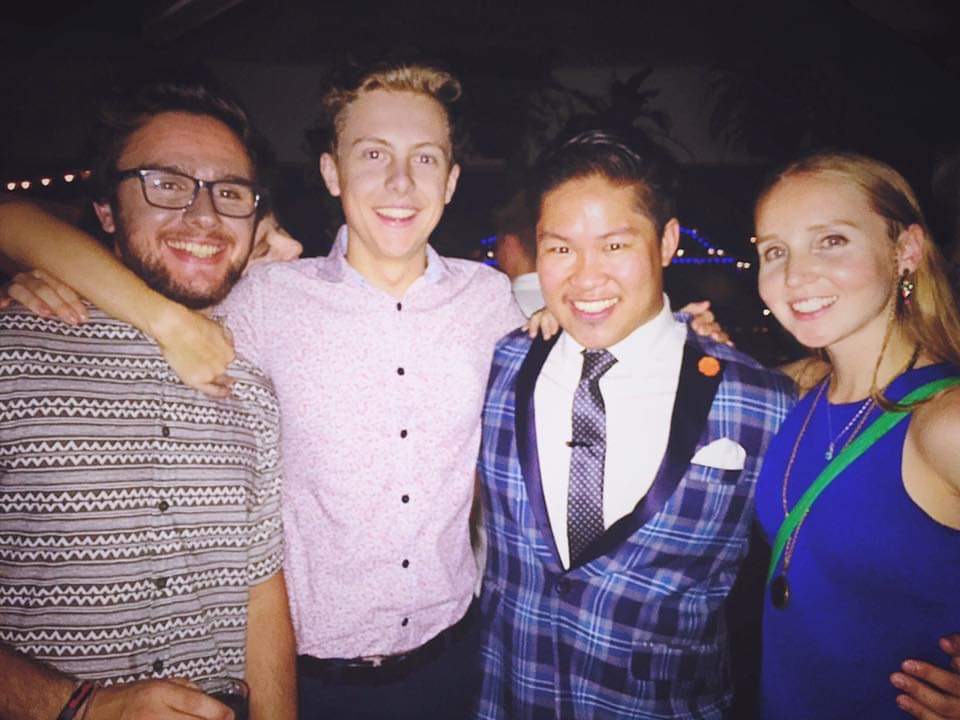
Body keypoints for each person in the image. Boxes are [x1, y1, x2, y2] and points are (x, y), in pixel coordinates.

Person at [0, 80, 296, 719]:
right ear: (106, 210)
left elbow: (260, 596)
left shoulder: (255, 386)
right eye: (166, 183)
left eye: (230, 192)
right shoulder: (13, 357)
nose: (204, 215)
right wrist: (78, 706)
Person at [474, 129, 794, 719]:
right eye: (560, 249)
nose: (585, 278)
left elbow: (825, 567)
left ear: (666, 242)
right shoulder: (496, 367)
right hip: (510, 699)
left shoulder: (761, 401)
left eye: (615, 245)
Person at [753, 151, 960, 719]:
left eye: (831, 241)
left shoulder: (944, 420)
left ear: (905, 250)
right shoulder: (802, 388)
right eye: (775, 251)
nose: (795, 276)